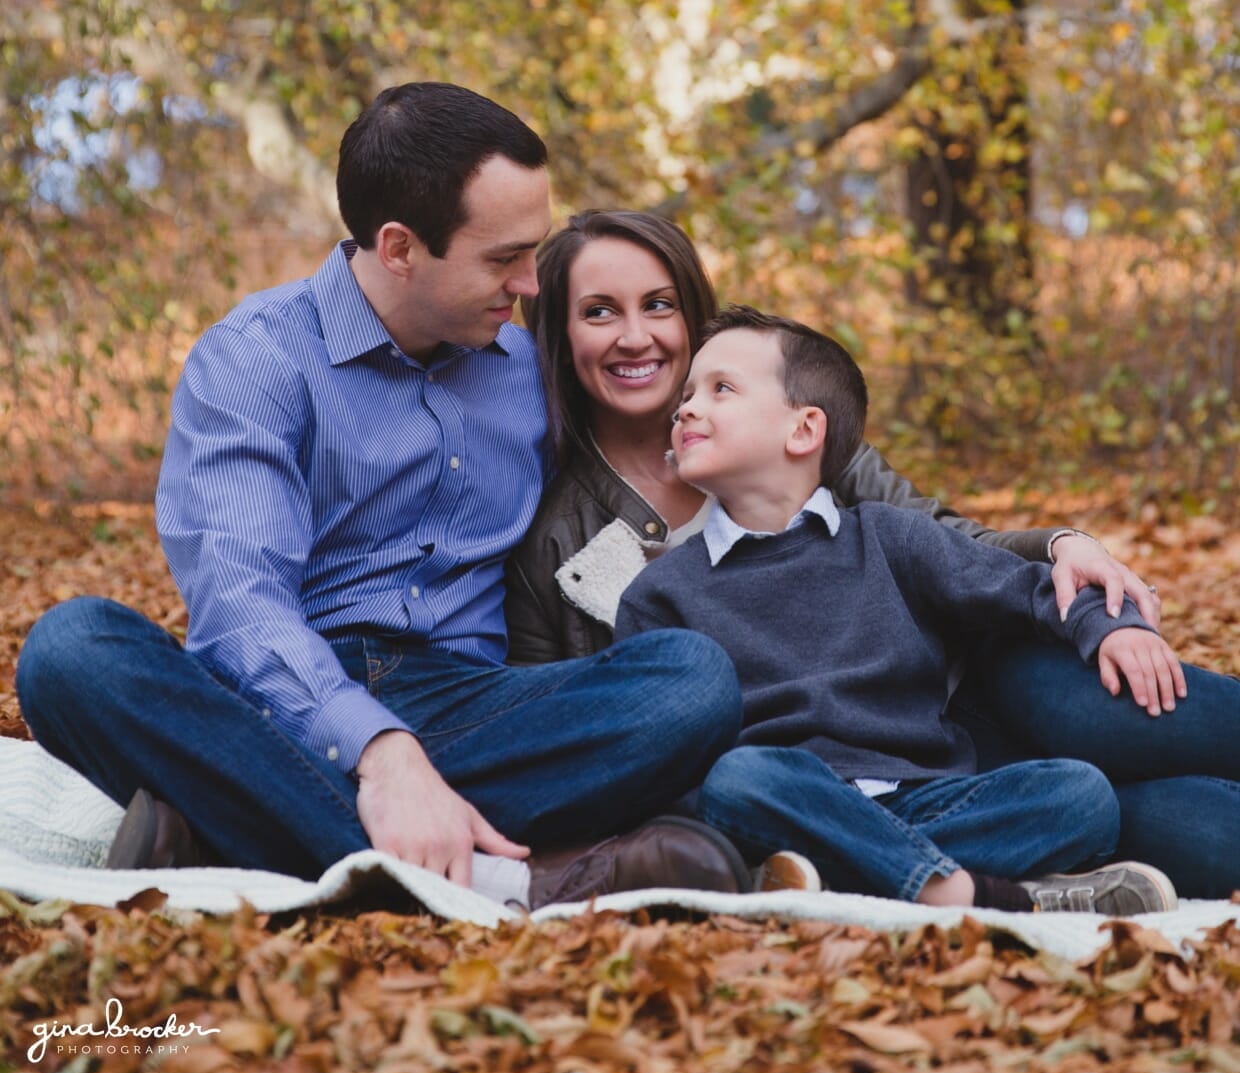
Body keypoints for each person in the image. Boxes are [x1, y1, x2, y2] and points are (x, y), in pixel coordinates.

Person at [16, 85, 759, 906]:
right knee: (72, 648)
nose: (529, 284)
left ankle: (233, 825)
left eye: (532, 251)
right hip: (281, 705)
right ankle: (495, 879)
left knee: (691, 679)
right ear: (401, 246)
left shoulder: (527, 373)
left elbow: (672, 413)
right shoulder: (257, 361)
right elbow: (239, 602)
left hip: (473, 709)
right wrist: (380, 750)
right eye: (502, 257)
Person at [506, 211, 1240, 897]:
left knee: (1081, 781)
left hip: (946, 733)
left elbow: (972, 558)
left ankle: (884, 869)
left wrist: (1073, 564)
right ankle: (957, 884)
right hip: (790, 784)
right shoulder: (592, 557)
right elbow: (596, 738)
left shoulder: (845, 485)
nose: (637, 335)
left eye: (660, 304)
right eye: (599, 310)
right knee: (1184, 825)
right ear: (560, 336)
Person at [615, 308, 1186, 914]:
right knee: (738, 780)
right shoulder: (661, 591)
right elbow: (655, 752)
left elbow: (1025, 587)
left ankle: (844, 875)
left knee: (1082, 796)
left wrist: (1112, 626)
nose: (685, 409)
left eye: (719, 389)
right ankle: (965, 891)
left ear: (804, 430)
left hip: (923, 798)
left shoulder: (890, 538)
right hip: (790, 797)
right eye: (685, 396)